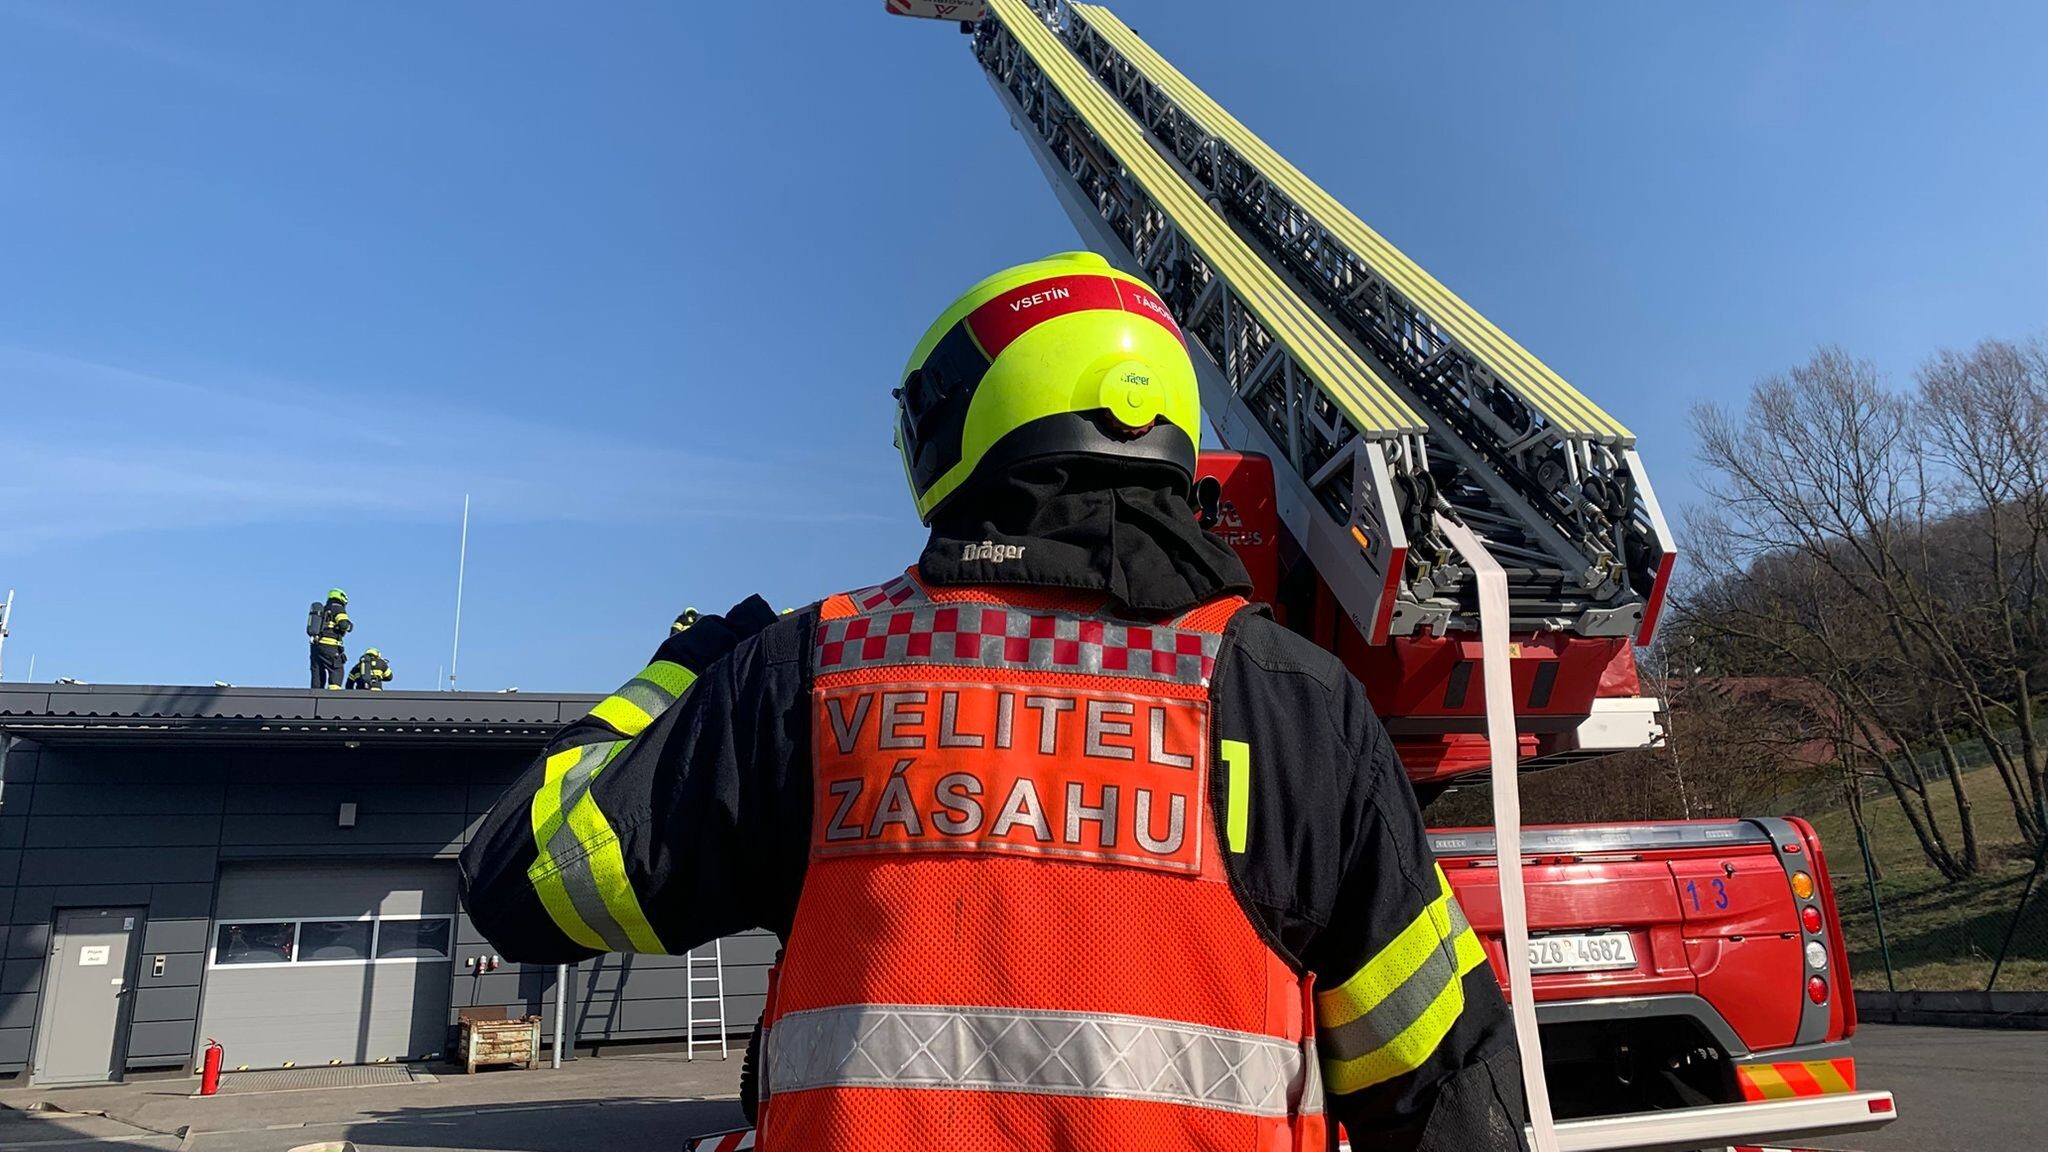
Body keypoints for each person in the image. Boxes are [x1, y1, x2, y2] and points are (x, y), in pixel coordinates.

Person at [458, 253, 1525, 1151]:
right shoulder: (1297, 703)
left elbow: (522, 880)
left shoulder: (810, 670)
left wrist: (686, 668)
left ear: (956, 424)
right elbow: (1436, 1082)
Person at [309, 588, 351, 690]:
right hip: (330, 646)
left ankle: (316, 694)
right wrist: (350, 626)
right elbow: (344, 624)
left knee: (318, 671)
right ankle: (333, 694)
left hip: (316, 646)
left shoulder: (323, 609)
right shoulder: (338, 608)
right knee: (336, 670)